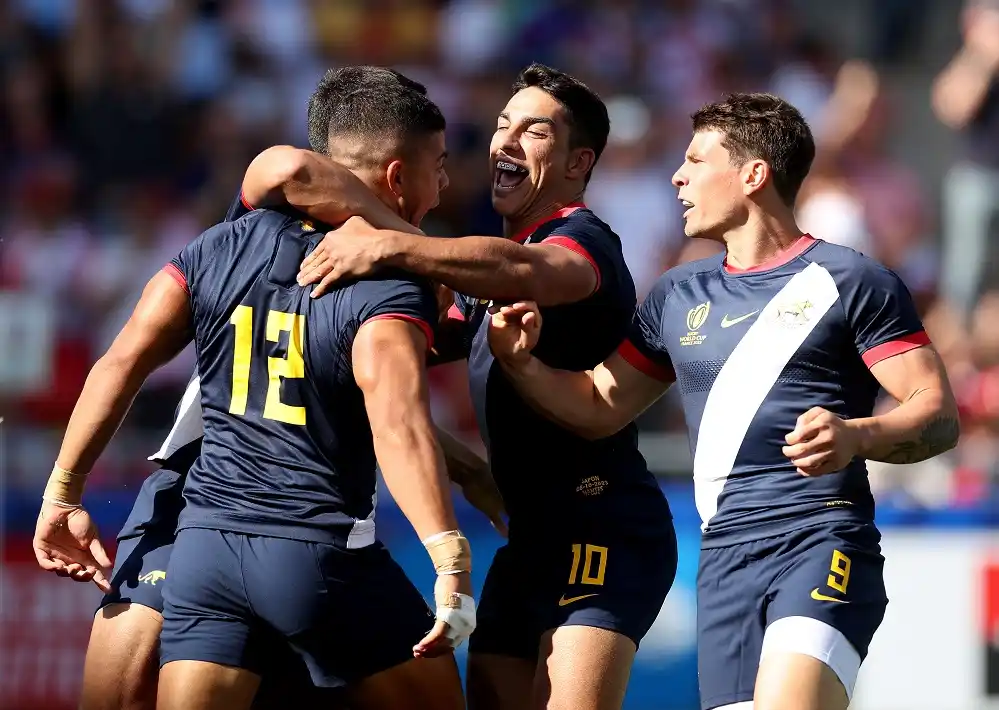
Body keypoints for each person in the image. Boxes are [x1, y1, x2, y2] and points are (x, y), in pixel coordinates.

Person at [485, 92, 961, 710]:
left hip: (819, 540)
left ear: (753, 175)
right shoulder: (676, 293)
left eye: (695, 160)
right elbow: (599, 405)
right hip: (723, 559)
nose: (677, 176)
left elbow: (938, 413)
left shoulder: (851, 280)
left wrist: (856, 436)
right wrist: (519, 362)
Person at [33, 74, 476, 710]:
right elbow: (398, 423)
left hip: (206, 535)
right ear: (397, 177)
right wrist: (447, 553)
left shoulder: (215, 245)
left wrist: (62, 490)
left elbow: (118, 362)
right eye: (439, 167)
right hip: (309, 545)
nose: (448, 184)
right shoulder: (393, 285)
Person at [293, 63, 678, 710]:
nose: (505, 141)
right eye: (503, 125)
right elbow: (382, 371)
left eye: (533, 131)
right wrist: (464, 465)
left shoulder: (581, 243)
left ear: (576, 162)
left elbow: (522, 268)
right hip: (526, 542)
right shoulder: (483, 285)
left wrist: (386, 243)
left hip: (603, 530)